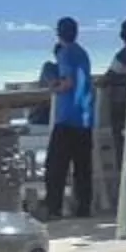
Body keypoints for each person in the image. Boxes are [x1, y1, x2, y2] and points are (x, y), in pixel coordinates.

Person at [41, 15, 96, 218]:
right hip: (85, 115)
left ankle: (53, 207)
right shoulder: (82, 53)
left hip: (67, 116)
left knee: (56, 166)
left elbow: (67, 83)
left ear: (59, 34)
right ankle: (83, 206)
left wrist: (53, 86)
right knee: (83, 166)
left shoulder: (65, 53)